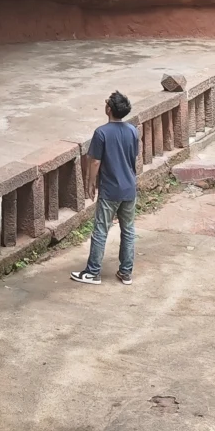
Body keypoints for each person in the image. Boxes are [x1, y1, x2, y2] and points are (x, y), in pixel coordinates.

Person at [71, 91, 138, 286]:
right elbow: (133, 158)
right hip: (129, 188)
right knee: (128, 230)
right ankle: (126, 272)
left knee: (101, 230)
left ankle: (92, 272)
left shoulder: (101, 132)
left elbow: (95, 163)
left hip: (110, 190)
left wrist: (91, 183)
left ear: (109, 109)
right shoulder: (133, 131)